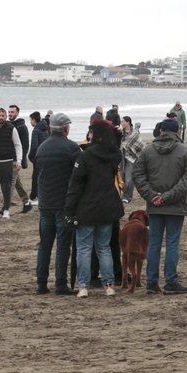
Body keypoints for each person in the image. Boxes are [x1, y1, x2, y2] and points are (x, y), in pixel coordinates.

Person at [132, 118, 187, 295]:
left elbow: (137, 175)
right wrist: (158, 196)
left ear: (161, 131)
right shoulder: (184, 151)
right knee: (171, 243)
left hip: (157, 205)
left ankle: (152, 283)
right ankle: (170, 281)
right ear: (177, 132)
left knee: (154, 243)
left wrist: (154, 196)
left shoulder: (148, 151)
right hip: (172, 205)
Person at [65, 120, 124, 298]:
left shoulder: (85, 156)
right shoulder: (113, 155)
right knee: (103, 247)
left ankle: (83, 285)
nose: (88, 135)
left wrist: (69, 210)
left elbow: (75, 185)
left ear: (95, 135)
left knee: (84, 248)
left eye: (91, 132)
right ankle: (109, 284)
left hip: (88, 207)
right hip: (107, 206)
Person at [35, 113, 80, 295]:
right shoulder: (71, 148)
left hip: (45, 202)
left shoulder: (42, 148)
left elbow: (38, 171)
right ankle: (60, 284)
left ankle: (41, 283)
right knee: (63, 245)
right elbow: (80, 175)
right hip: (63, 203)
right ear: (65, 128)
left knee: (45, 244)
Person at [8, 105, 33, 213]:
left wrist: (22, 160)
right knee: (17, 182)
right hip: (7, 158)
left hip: (16, 159)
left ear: (17, 113)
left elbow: (25, 144)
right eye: (9, 112)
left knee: (10, 182)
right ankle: (27, 202)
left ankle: (5, 206)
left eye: (12, 112)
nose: (10, 114)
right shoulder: (8, 125)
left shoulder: (22, 127)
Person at [118, 117, 143, 203]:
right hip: (122, 158)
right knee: (122, 177)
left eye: (123, 121)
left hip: (131, 158)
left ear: (128, 122)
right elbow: (118, 144)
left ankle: (127, 196)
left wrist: (124, 145)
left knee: (129, 178)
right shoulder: (120, 133)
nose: (121, 123)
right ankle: (123, 193)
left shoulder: (135, 133)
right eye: (121, 122)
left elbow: (139, 145)